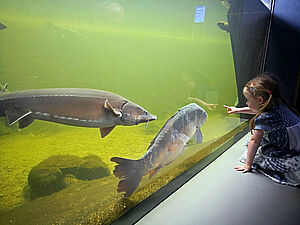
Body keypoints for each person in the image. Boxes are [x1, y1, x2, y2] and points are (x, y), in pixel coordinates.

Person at [224, 74, 300, 186]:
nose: (246, 103)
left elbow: (254, 141)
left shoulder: (265, 118)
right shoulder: (277, 103)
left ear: (260, 100)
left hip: (290, 146)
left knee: (259, 156)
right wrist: (237, 110)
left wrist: (248, 165)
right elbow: (257, 109)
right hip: (296, 137)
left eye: (247, 100)